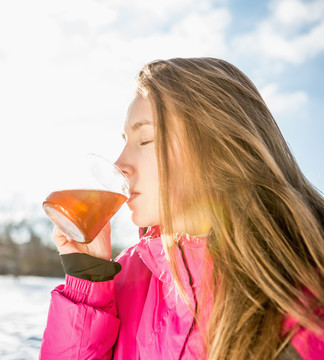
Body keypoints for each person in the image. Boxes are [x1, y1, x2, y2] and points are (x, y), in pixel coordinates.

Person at [39, 57, 324, 360]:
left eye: (145, 140)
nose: (120, 165)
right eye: (125, 142)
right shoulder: (130, 275)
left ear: (218, 146)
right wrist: (88, 281)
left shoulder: (302, 312)